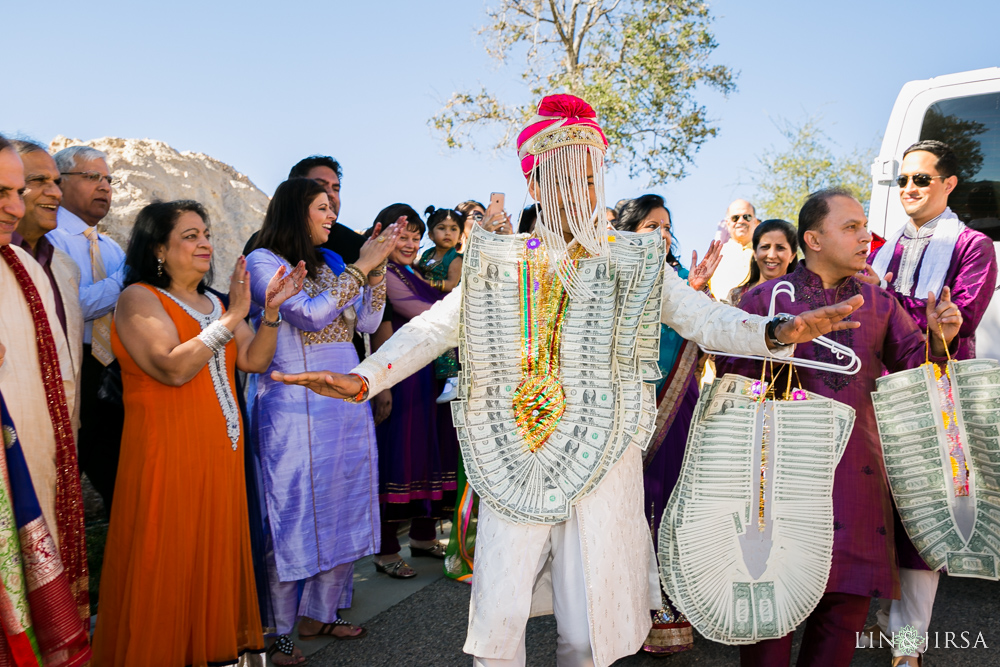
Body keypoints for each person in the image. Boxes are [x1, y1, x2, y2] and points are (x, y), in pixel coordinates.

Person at [272, 95, 864, 667]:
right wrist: (362, 378)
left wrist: (779, 329)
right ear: (534, 183)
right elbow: (431, 329)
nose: (583, 190)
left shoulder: (635, 260)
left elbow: (704, 318)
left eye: (592, 176)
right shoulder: (497, 259)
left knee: (587, 634)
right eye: (567, 175)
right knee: (497, 629)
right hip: (514, 453)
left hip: (604, 458)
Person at [720, 188, 962, 667]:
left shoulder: (879, 305)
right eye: (851, 228)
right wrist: (781, 340)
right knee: (769, 627)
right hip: (778, 487)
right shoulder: (764, 300)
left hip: (857, 483)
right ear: (812, 238)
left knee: (839, 629)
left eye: (864, 227)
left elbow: (918, 375)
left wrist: (939, 340)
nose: (865, 238)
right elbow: (729, 370)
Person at [92, 199, 305, 666]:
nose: (205, 241)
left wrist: (268, 314)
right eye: (190, 235)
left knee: (210, 565)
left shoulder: (220, 303)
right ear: (158, 250)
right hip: (166, 452)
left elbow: (253, 361)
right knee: (164, 562)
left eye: (206, 232)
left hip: (220, 451)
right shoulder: (138, 298)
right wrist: (231, 319)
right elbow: (171, 368)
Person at [246, 179, 397, 657]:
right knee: (292, 515)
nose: (331, 215)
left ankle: (320, 615)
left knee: (342, 505)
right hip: (290, 406)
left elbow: (369, 324)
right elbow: (308, 316)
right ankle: (280, 631)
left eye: (332, 207)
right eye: (321, 207)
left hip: (340, 402)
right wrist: (362, 266)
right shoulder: (262, 261)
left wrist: (376, 273)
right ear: (296, 211)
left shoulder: (332, 263)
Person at [866, 140, 998, 666]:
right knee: (877, 509)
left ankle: (907, 643)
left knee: (923, 513)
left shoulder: (972, 246)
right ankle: (882, 619)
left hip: (935, 390)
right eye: (902, 181)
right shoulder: (885, 248)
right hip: (878, 387)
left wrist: (887, 299)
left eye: (921, 179)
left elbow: (953, 319)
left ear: (948, 185)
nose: (909, 189)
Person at [613, 194, 721, 656]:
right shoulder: (610, 275)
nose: (662, 234)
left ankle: (668, 610)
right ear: (627, 233)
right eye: (651, 225)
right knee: (627, 511)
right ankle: (620, 612)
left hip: (677, 405)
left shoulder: (681, 279)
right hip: (623, 412)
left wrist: (696, 293)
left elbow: (709, 333)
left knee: (671, 505)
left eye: (666, 226)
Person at [0, 136, 90, 630]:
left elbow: (65, 371)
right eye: (39, 182)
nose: (48, 194)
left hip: (46, 454)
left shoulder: (47, 266)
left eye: (55, 182)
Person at [369, 204, 457, 579]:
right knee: (397, 457)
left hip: (425, 373)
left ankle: (422, 537)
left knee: (425, 453)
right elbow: (416, 311)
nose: (409, 243)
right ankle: (386, 549)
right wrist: (383, 385)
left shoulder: (411, 271)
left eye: (414, 237)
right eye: (401, 236)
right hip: (398, 373)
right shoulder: (382, 272)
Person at [48, 145, 125, 513]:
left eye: (108, 179)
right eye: (92, 177)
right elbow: (71, 306)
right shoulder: (49, 239)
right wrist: (127, 280)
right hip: (71, 365)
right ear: (60, 183)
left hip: (111, 369)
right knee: (61, 473)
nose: (105, 187)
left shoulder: (110, 247)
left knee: (118, 473)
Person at [10, 140, 85, 436]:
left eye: (56, 182)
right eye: (38, 181)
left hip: (61, 437)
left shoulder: (64, 267)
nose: (55, 192)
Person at [419, 206, 465, 404]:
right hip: (426, 303)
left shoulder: (454, 258)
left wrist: (422, 282)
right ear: (430, 233)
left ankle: (453, 379)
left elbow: (451, 284)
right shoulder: (427, 255)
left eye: (454, 228)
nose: (448, 233)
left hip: (447, 305)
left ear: (460, 234)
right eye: (442, 227)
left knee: (443, 340)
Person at [727, 219, 799, 305]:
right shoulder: (736, 297)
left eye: (780, 248)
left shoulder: (803, 298)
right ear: (755, 253)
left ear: (792, 255)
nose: (771, 255)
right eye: (765, 247)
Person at [709, 199, 759, 302]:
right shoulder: (715, 254)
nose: (741, 221)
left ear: (755, 221)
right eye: (735, 218)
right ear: (727, 223)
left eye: (747, 217)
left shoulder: (765, 253)